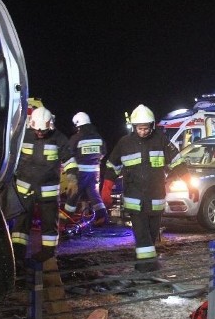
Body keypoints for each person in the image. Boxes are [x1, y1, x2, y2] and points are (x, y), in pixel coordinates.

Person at [101, 104, 179, 272]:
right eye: (139, 128)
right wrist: (106, 188)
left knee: (150, 236)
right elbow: (112, 166)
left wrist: (183, 176)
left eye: (145, 128)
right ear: (133, 127)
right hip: (134, 200)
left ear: (152, 126)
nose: (142, 132)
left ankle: (140, 264)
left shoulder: (161, 140)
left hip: (156, 199)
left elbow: (177, 161)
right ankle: (149, 268)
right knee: (142, 234)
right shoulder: (124, 143)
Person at [11, 106, 78, 263]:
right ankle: (18, 253)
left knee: (49, 222)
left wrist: (72, 178)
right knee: (21, 224)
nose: (40, 133)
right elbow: (12, 157)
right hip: (24, 189)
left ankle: (48, 252)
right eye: (37, 130)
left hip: (48, 191)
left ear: (50, 125)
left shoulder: (59, 138)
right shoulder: (22, 135)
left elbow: (69, 161)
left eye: (43, 130)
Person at [65, 111, 109, 225]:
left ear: (78, 125)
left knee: (73, 194)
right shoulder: (98, 137)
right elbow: (103, 152)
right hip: (95, 171)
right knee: (94, 194)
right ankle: (102, 216)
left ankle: (65, 219)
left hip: (80, 171)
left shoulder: (76, 138)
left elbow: (68, 154)